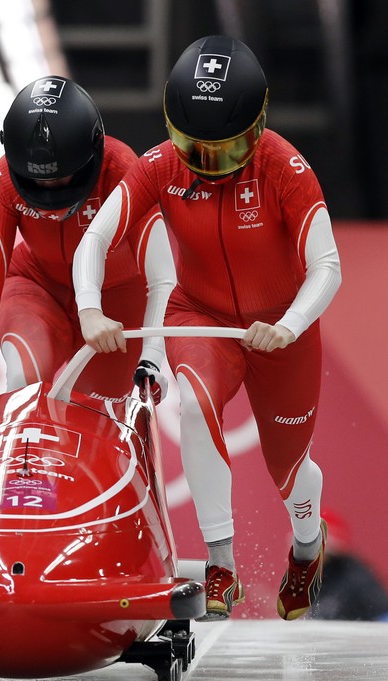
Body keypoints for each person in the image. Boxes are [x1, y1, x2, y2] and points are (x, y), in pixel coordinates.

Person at [73, 36, 342, 621]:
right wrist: (89, 308)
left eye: (226, 150)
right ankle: (221, 561)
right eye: (195, 148)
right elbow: (95, 237)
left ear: (259, 125)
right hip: (202, 316)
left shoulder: (286, 169)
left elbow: (328, 267)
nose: (208, 165)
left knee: (288, 468)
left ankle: (305, 546)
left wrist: (291, 324)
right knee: (193, 406)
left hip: (282, 330)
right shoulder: (160, 166)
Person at [0, 76, 176, 404]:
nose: (50, 192)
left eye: (61, 178)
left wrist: (153, 359)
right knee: (22, 383)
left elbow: (163, 278)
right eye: (38, 181)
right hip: (38, 287)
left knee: (93, 411)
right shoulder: (3, 178)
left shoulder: (122, 168)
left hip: (116, 304)